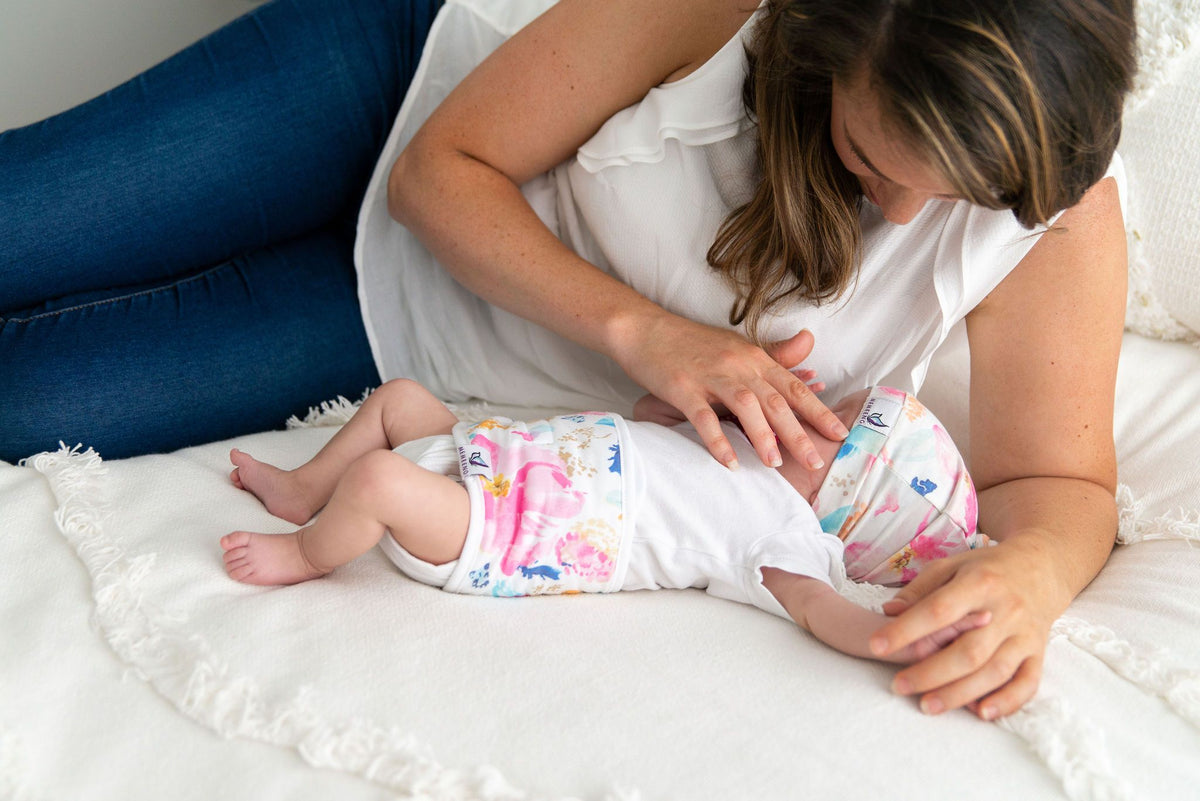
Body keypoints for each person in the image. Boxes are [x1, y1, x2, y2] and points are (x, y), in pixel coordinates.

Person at [1, 0, 1137, 720]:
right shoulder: (719, 12)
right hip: (407, 110)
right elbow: (439, 173)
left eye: (956, 196)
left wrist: (1030, 577)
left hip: (427, 331)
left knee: (33, 398)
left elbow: (1064, 486)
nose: (908, 213)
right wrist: (653, 335)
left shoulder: (1058, 212)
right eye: (869, 158)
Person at [220, 378, 991, 665]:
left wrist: (894, 636)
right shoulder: (736, 450)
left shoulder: (786, 535)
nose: (814, 415)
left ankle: (306, 553)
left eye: (836, 429)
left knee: (380, 480)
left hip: (509, 531)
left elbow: (824, 612)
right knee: (398, 400)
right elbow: (645, 424)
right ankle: (301, 488)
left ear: (845, 503)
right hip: (493, 457)